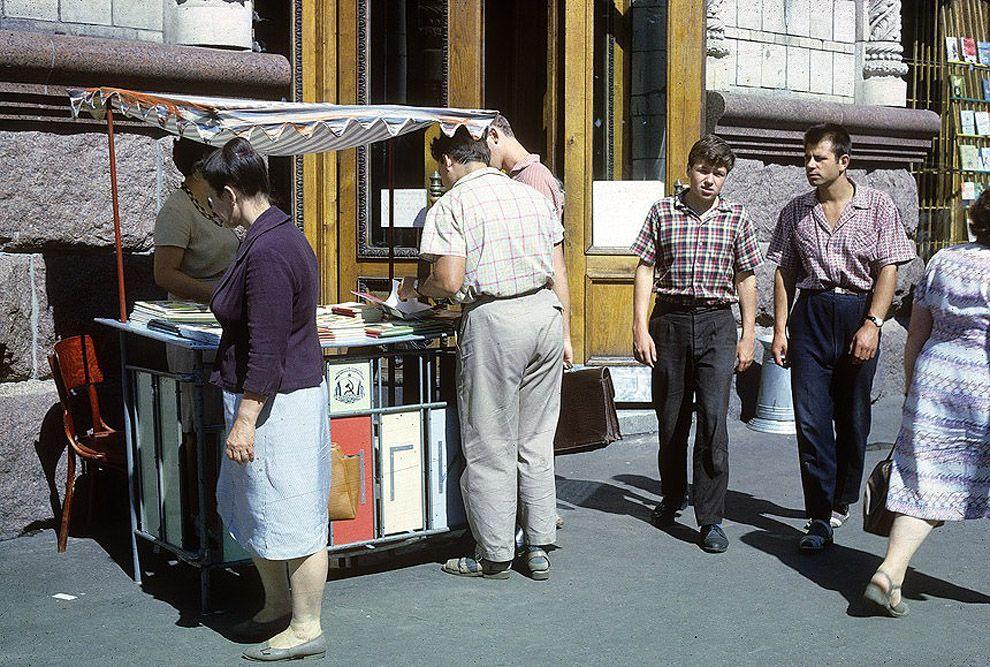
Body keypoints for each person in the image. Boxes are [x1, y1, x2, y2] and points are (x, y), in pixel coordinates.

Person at [398, 126, 567, 580]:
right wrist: (564, 326)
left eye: (442, 169)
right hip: (545, 314)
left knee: (490, 441)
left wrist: (419, 287)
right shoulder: (532, 196)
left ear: (451, 163)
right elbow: (559, 266)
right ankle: (538, 545)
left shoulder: (452, 204)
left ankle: (493, 552)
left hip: (495, 320)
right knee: (535, 440)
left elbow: (450, 282)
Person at [203, 138, 331, 661]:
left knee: (293, 513)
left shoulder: (271, 250)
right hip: (278, 399)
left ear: (232, 195)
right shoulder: (270, 236)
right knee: (263, 508)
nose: (209, 207)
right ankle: (278, 606)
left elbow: (268, 347)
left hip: (281, 406)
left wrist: (246, 420)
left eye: (212, 198)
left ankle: (306, 626)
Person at [767, 123, 916, 552]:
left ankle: (843, 496)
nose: (810, 165)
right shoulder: (796, 211)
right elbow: (784, 271)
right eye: (807, 157)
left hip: (856, 312)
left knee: (851, 419)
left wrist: (873, 322)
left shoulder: (877, 206)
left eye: (819, 158)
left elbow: (889, 266)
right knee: (811, 418)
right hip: (810, 314)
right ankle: (818, 515)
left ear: (843, 162)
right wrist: (780, 329)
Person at [630, 135, 762, 553]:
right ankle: (672, 496)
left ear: (726, 178)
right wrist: (639, 327)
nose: (709, 179)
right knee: (670, 420)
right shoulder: (663, 213)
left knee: (713, 420)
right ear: (689, 169)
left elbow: (746, 278)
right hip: (669, 321)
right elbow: (645, 269)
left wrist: (748, 335)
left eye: (718, 173)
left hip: (716, 325)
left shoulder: (737, 218)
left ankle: (710, 519)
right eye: (703, 170)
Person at [862, 195, 990, 617]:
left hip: (934, 380)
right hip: (981, 384)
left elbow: (916, 331)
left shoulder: (943, 260)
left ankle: (890, 572)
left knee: (924, 484)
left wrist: (914, 389)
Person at [153, 138, 240, 547]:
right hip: (194, 328)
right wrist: (215, 293)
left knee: (223, 422)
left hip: (223, 322)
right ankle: (198, 517)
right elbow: (165, 274)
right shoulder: (177, 209)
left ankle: (227, 518)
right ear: (201, 165)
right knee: (199, 424)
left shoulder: (217, 204)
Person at [486, 113, 572, 367]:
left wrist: (564, 334)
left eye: (483, 148)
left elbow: (552, 259)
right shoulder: (522, 177)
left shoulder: (532, 178)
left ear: (494, 136)